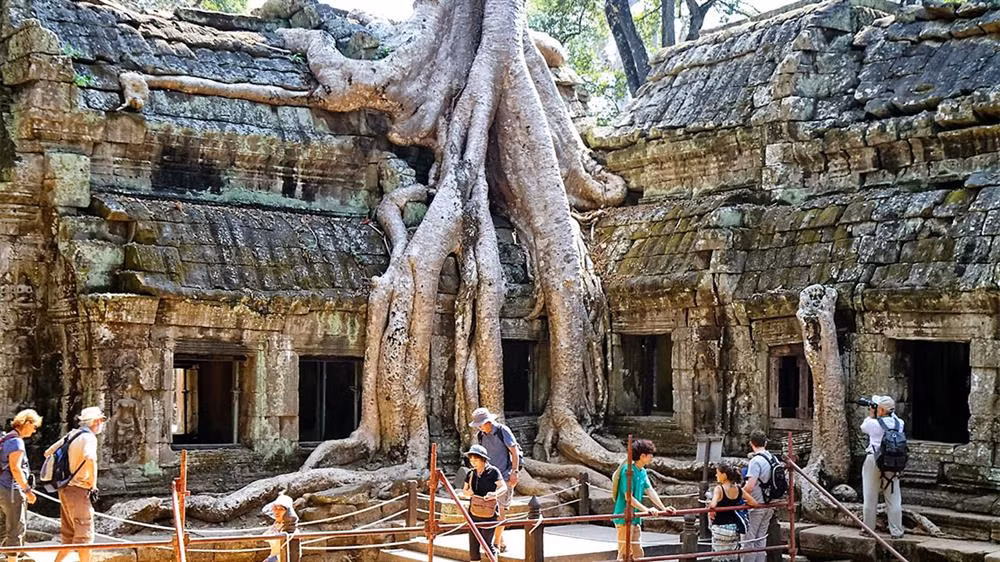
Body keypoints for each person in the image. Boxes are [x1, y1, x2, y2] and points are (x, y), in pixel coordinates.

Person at [50, 407, 106, 562]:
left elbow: (48, 452)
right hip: (79, 489)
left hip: (65, 489)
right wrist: (92, 484)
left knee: (68, 535)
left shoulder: (72, 434)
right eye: (101, 420)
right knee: (84, 536)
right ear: (96, 421)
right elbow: (90, 458)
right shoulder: (89, 438)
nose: (102, 423)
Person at [611, 439, 674, 561]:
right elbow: (628, 497)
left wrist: (663, 508)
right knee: (624, 553)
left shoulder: (642, 471)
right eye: (650, 454)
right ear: (642, 456)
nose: (652, 457)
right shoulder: (627, 471)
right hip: (624, 517)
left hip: (635, 517)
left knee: (637, 552)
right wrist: (646, 510)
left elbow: (650, 491)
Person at [469, 407, 519, 552]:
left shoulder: (502, 431)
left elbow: (514, 451)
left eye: (481, 424)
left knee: (500, 509)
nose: (479, 427)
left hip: (504, 475)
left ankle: (496, 544)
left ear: (489, 422)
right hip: (489, 476)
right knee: (490, 510)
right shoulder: (481, 435)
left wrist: (514, 471)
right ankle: (500, 541)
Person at [860, 395, 904, 539]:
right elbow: (893, 419)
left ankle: (868, 529)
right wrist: (886, 411)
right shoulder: (900, 423)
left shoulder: (873, 424)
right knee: (894, 498)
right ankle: (896, 531)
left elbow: (863, 427)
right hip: (892, 463)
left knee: (870, 496)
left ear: (881, 410)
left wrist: (872, 414)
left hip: (874, 459)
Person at [0, 409, 42, 551]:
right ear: (27, 422)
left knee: (2, 528)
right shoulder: (16, 442)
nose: (34, 431)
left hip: (2, 488)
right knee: (16, 530)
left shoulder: (5, 439)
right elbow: (16, 468)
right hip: (11, 490)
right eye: (34, 426)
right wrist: (27, 490)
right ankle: (13, 559)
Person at [459, 444, 507, 562]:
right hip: (474, 512)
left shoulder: (493, 471)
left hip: (489, 512)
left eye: (476, 459)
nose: (473, 462)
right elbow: (464, 491)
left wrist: (494, 494)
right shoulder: (470, 474)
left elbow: (503, 487)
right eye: (471, 460)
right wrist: (468, 493)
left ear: (483, 459)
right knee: (473, 545)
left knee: (487, 544)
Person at [708, 462, 759, 562]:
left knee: (719, 557)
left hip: (720, 527)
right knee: (732, 556)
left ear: (724, 475)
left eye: (718, 473)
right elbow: (754, 503)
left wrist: (709, 505)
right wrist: (742, 506)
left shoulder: (719, 489)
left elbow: (713, 505)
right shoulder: (738, 489)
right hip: (733, 527)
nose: (716, 475)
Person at [741, 430, 774, 562]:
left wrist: (738, 493)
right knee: (761, 537)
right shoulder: (772, 458)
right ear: (765, 443)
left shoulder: (755, 461)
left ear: (751, 443)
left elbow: (750, 486)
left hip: (756, 502)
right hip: (770, 501)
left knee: (749, 538)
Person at [261, 493, 298, 562]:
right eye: (275, 508)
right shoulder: (277, 524)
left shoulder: (290, 528)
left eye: (281, 509)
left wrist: (272, 559)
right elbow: (265, 537)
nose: (277, 512)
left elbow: (292, 553)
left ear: (288, 511)